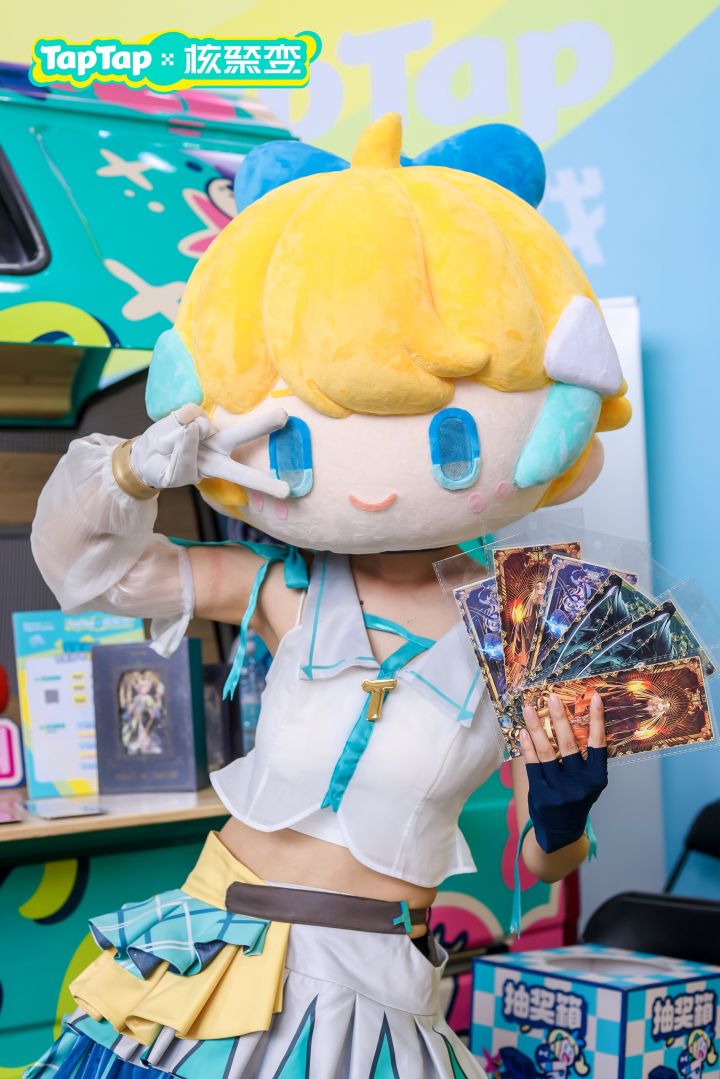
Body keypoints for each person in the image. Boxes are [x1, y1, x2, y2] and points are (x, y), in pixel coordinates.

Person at [26, 115, 627, 1079]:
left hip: (370, 993)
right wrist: (132, 471)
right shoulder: (284, 587)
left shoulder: (537, 625)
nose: (379, 485)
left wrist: (566, 817)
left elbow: (541, 862)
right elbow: (88, 572)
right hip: (206, 961)